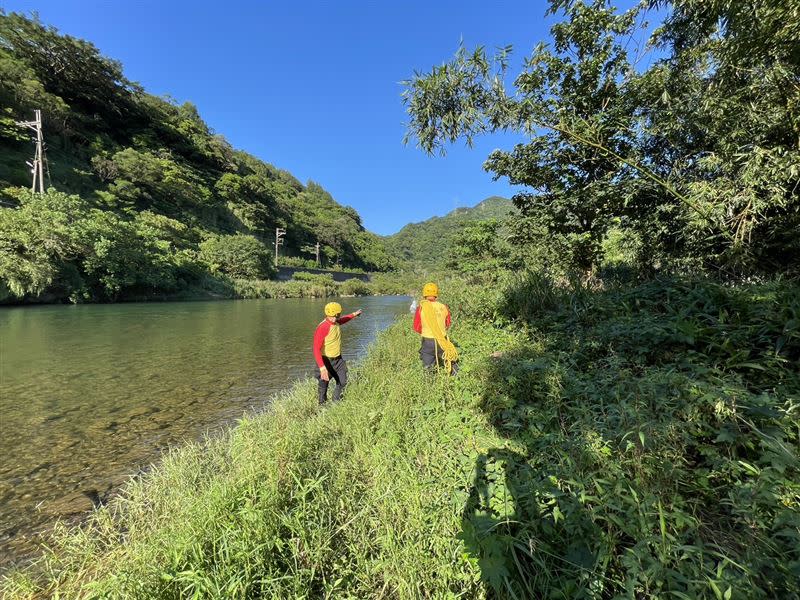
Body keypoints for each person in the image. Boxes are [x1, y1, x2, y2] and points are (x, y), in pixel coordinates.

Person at [313, 302, 363, 404]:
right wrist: (322, 368)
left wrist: (354, 314)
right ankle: (322, 406)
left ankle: (336, 402)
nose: (340, 315)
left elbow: (343, 320)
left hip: (338, 360)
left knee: (342, 381)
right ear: (336, 314)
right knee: (323, 385)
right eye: (339, 313)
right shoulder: (323, 327)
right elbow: (316, 349)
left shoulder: (335, 322)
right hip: (325, 360)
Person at [413, 282, 458, 374]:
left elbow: (417, 327)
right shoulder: (443, 307)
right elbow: (447, 324)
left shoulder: (421, 308)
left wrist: (427, 331)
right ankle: (456, 378)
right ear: (436, 294)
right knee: (450, 359)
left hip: (427, 341)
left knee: (428, 367)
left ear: (424, 294)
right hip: (442, 340)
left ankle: (429, 384)